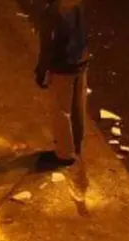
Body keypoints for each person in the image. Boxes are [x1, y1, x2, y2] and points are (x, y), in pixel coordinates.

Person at [36, 0, 90, 167]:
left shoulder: (53, 11)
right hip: (81, 60)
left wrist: (42, 70)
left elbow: (49, 46)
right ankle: (77, 144)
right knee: (77, 105)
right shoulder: (75, 3)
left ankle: (65, 154)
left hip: (63, 65)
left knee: (61, 110)